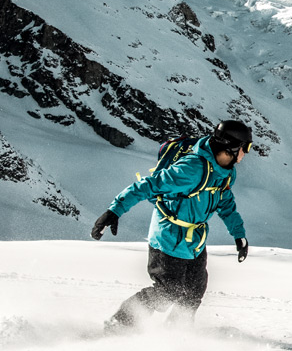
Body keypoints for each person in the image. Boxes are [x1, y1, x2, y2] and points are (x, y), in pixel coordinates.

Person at [90, 120, 253, 329]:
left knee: (194, 292)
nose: (245, 153)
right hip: (168, 239)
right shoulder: (192, 169)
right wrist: (114, 211)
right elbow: (149, 185)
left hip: (194, 243)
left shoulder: (225, 172)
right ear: (231, 147)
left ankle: (176, 333)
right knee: (167, 292)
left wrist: (238, 235)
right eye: (245, 147)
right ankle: (119, 324)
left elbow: (225, 203)